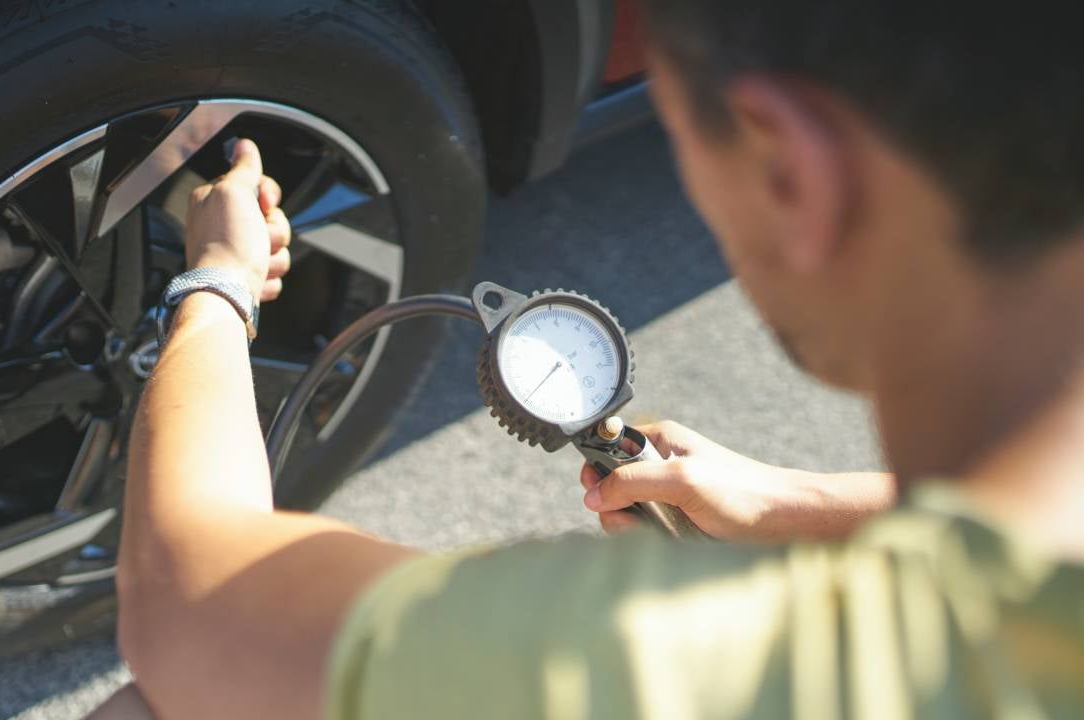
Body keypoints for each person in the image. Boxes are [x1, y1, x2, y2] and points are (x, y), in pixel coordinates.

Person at [100, 1, 1084, 717]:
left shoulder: (696, 666)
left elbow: (189, 601)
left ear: (789, 170)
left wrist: (218, 284)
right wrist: (792, 503)